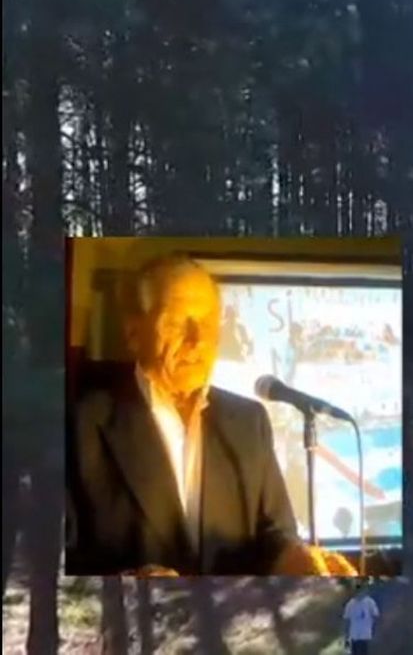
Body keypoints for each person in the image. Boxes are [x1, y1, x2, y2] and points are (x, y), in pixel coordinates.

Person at [65, 254, 355, 576]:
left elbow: (276, 535)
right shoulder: (78, 424)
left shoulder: (249, 421)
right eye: (177, 322)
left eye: (208, 323)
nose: (197, 339)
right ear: (134, 333)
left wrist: (293, 560)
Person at [343, 582, 381, 655]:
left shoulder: (369, 602)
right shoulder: (350, 604)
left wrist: (375, 631)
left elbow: (376, 616)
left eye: (360, 591)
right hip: (354, 636)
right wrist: (346, 637)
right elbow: (347, 620)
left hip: (366, 635)